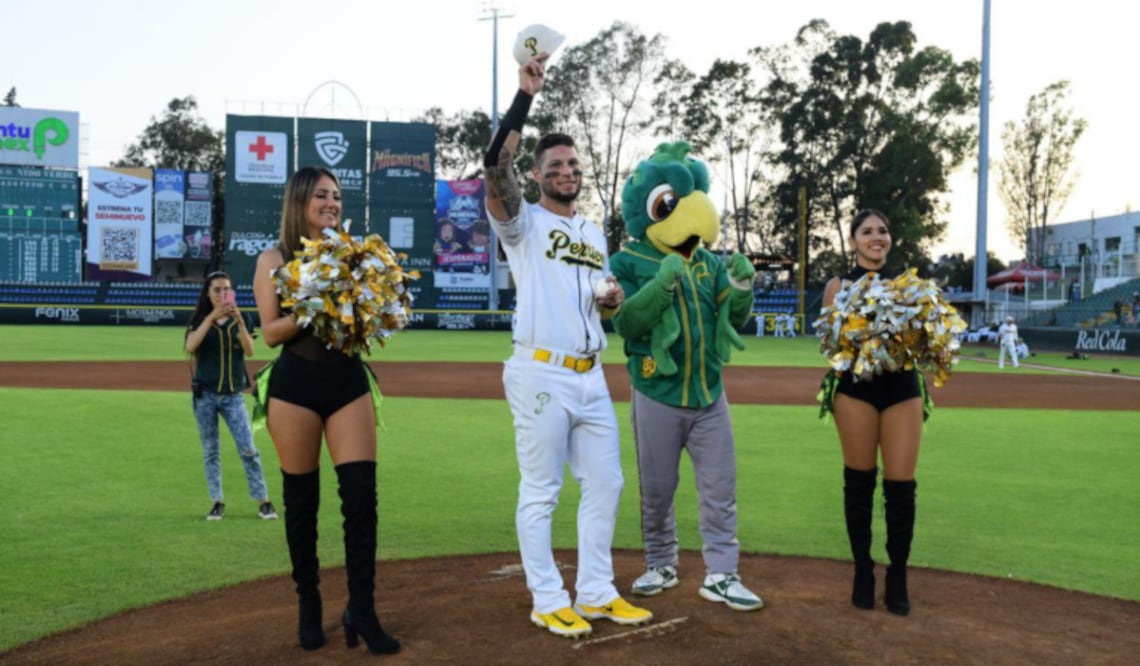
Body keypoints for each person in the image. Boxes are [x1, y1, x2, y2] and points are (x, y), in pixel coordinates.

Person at [482, 51, 652, 638]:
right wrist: (526, 95)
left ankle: (598, 592)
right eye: (555, 163)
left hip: (589, 374)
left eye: (573, 162)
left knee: (606, 482)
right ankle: (547, 597)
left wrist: (608, 299)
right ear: (536, 174)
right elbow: (492, 163)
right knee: (542, 491)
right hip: (541, 373)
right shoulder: (521, 222)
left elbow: (602, 293)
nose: (566, 170)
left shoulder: (590, 229)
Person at [252, 166, 400, 655]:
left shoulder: (357, 254)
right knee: (301, 503)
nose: (332, 203)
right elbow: (269, 332)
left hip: (346, 381)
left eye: (336, 195)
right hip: (295, 385)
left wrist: (379, 305)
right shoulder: (273, 258)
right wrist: (318, 301)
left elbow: (369, 316)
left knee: (362, 498)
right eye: (321, 195)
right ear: (300, 201)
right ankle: (309, 602)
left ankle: (362, 609)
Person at [821, 209, 923, 616]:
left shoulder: (910, 285)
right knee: (859, 483)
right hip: (855, 391)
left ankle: (897, 575)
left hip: (902, 389)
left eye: (883, 230)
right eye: (866, 232)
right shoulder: (837, 285)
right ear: (853, 241)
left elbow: (920, 343)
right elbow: (831, 346)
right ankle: (863, 570)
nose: (876, 237)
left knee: (901, 488)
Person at [184, 271, 277, 522]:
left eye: (226, 289)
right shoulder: (200, 320)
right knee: (211, 451)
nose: (221, 294)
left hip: (233, 395)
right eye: (216, 289)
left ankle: (263, 500)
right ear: (208, 293)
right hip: (205, 395)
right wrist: (211, 317)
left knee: (248, 449)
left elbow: (249, 350)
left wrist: (241, 322)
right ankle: (217, 501)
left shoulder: (240, 319)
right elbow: (191, 346)